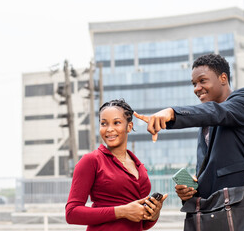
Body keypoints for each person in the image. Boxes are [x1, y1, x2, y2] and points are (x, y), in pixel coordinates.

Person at [134, 54, 244, 229]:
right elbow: (214, 169)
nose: (197, 88)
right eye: (194, 84)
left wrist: (172, 113)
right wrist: (191, 190)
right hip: (212, 215)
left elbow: (218, 112)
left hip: (238, 215)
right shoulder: (206, 124)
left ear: (223, 78)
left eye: (202, 81)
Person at [66, 99, 168, 231]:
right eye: (104, 123)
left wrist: (153, 215)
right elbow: (71, 213)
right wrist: (122, 211)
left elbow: (142, 223)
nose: (109, 129)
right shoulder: (91, 161)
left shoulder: (139, 167)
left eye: (116, 123)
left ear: (129, 127)